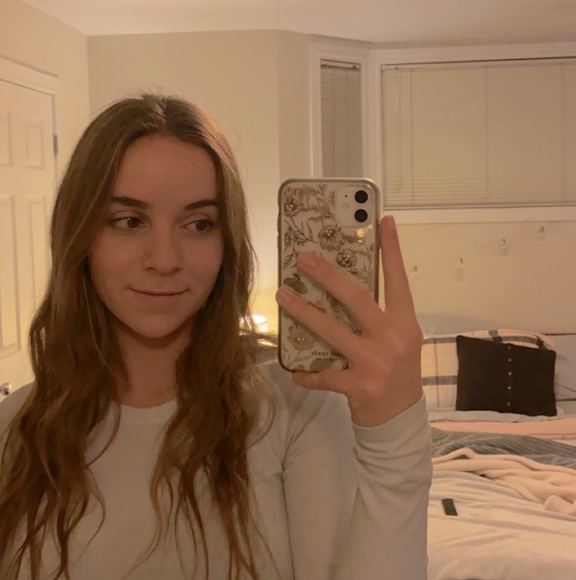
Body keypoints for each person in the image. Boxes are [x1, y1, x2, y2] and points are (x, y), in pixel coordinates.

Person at [0, 93, 431, 580]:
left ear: (226, 244)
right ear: (80, 238)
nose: (165, 259)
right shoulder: (15, 430)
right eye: (129, 221)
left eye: (199, 224)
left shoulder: (297, 409)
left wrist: (395, 435)